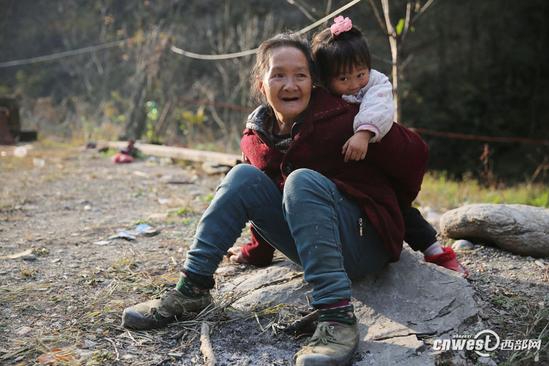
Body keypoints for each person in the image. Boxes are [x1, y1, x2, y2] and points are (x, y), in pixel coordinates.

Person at [122, 32, 424, 365]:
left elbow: (414, 161)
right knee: (242, 176)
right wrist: (257, 252)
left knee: (302, 182)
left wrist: (411, 229)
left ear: (314, 82)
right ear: (261, 84)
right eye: (278, 74)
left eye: (300, 75)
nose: (290, 84)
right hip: (315, 245)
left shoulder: (347, 117)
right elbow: (260, 199)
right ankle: (191, 290)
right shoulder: (257, 136)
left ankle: (336, 318)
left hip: (364, 243)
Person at [229, 17, 468, 277]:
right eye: (344, 78)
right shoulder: (307, 111)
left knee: (398, 208)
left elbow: (382, 114)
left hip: (370, 161)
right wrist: (258, 249)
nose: (354, 84)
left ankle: (437, 252)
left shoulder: (374, 87)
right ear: (322, 79)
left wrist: (364, 133)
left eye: (360, 74)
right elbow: (269, 191)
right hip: (331, 199)